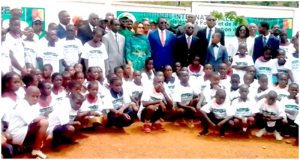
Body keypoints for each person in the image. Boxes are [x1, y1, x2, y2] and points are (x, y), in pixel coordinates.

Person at [7, 86, 48, 158]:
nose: (35, 98)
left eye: (37, 96)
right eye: (33, 96)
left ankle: (29, 147)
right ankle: (36, 150)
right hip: (15, 134)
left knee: (45, 132)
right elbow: (34, 120)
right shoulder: (22, 104)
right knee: (44, 123)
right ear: (26, 95)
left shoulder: (34, 105)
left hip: (23, 130)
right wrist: (44, 117)